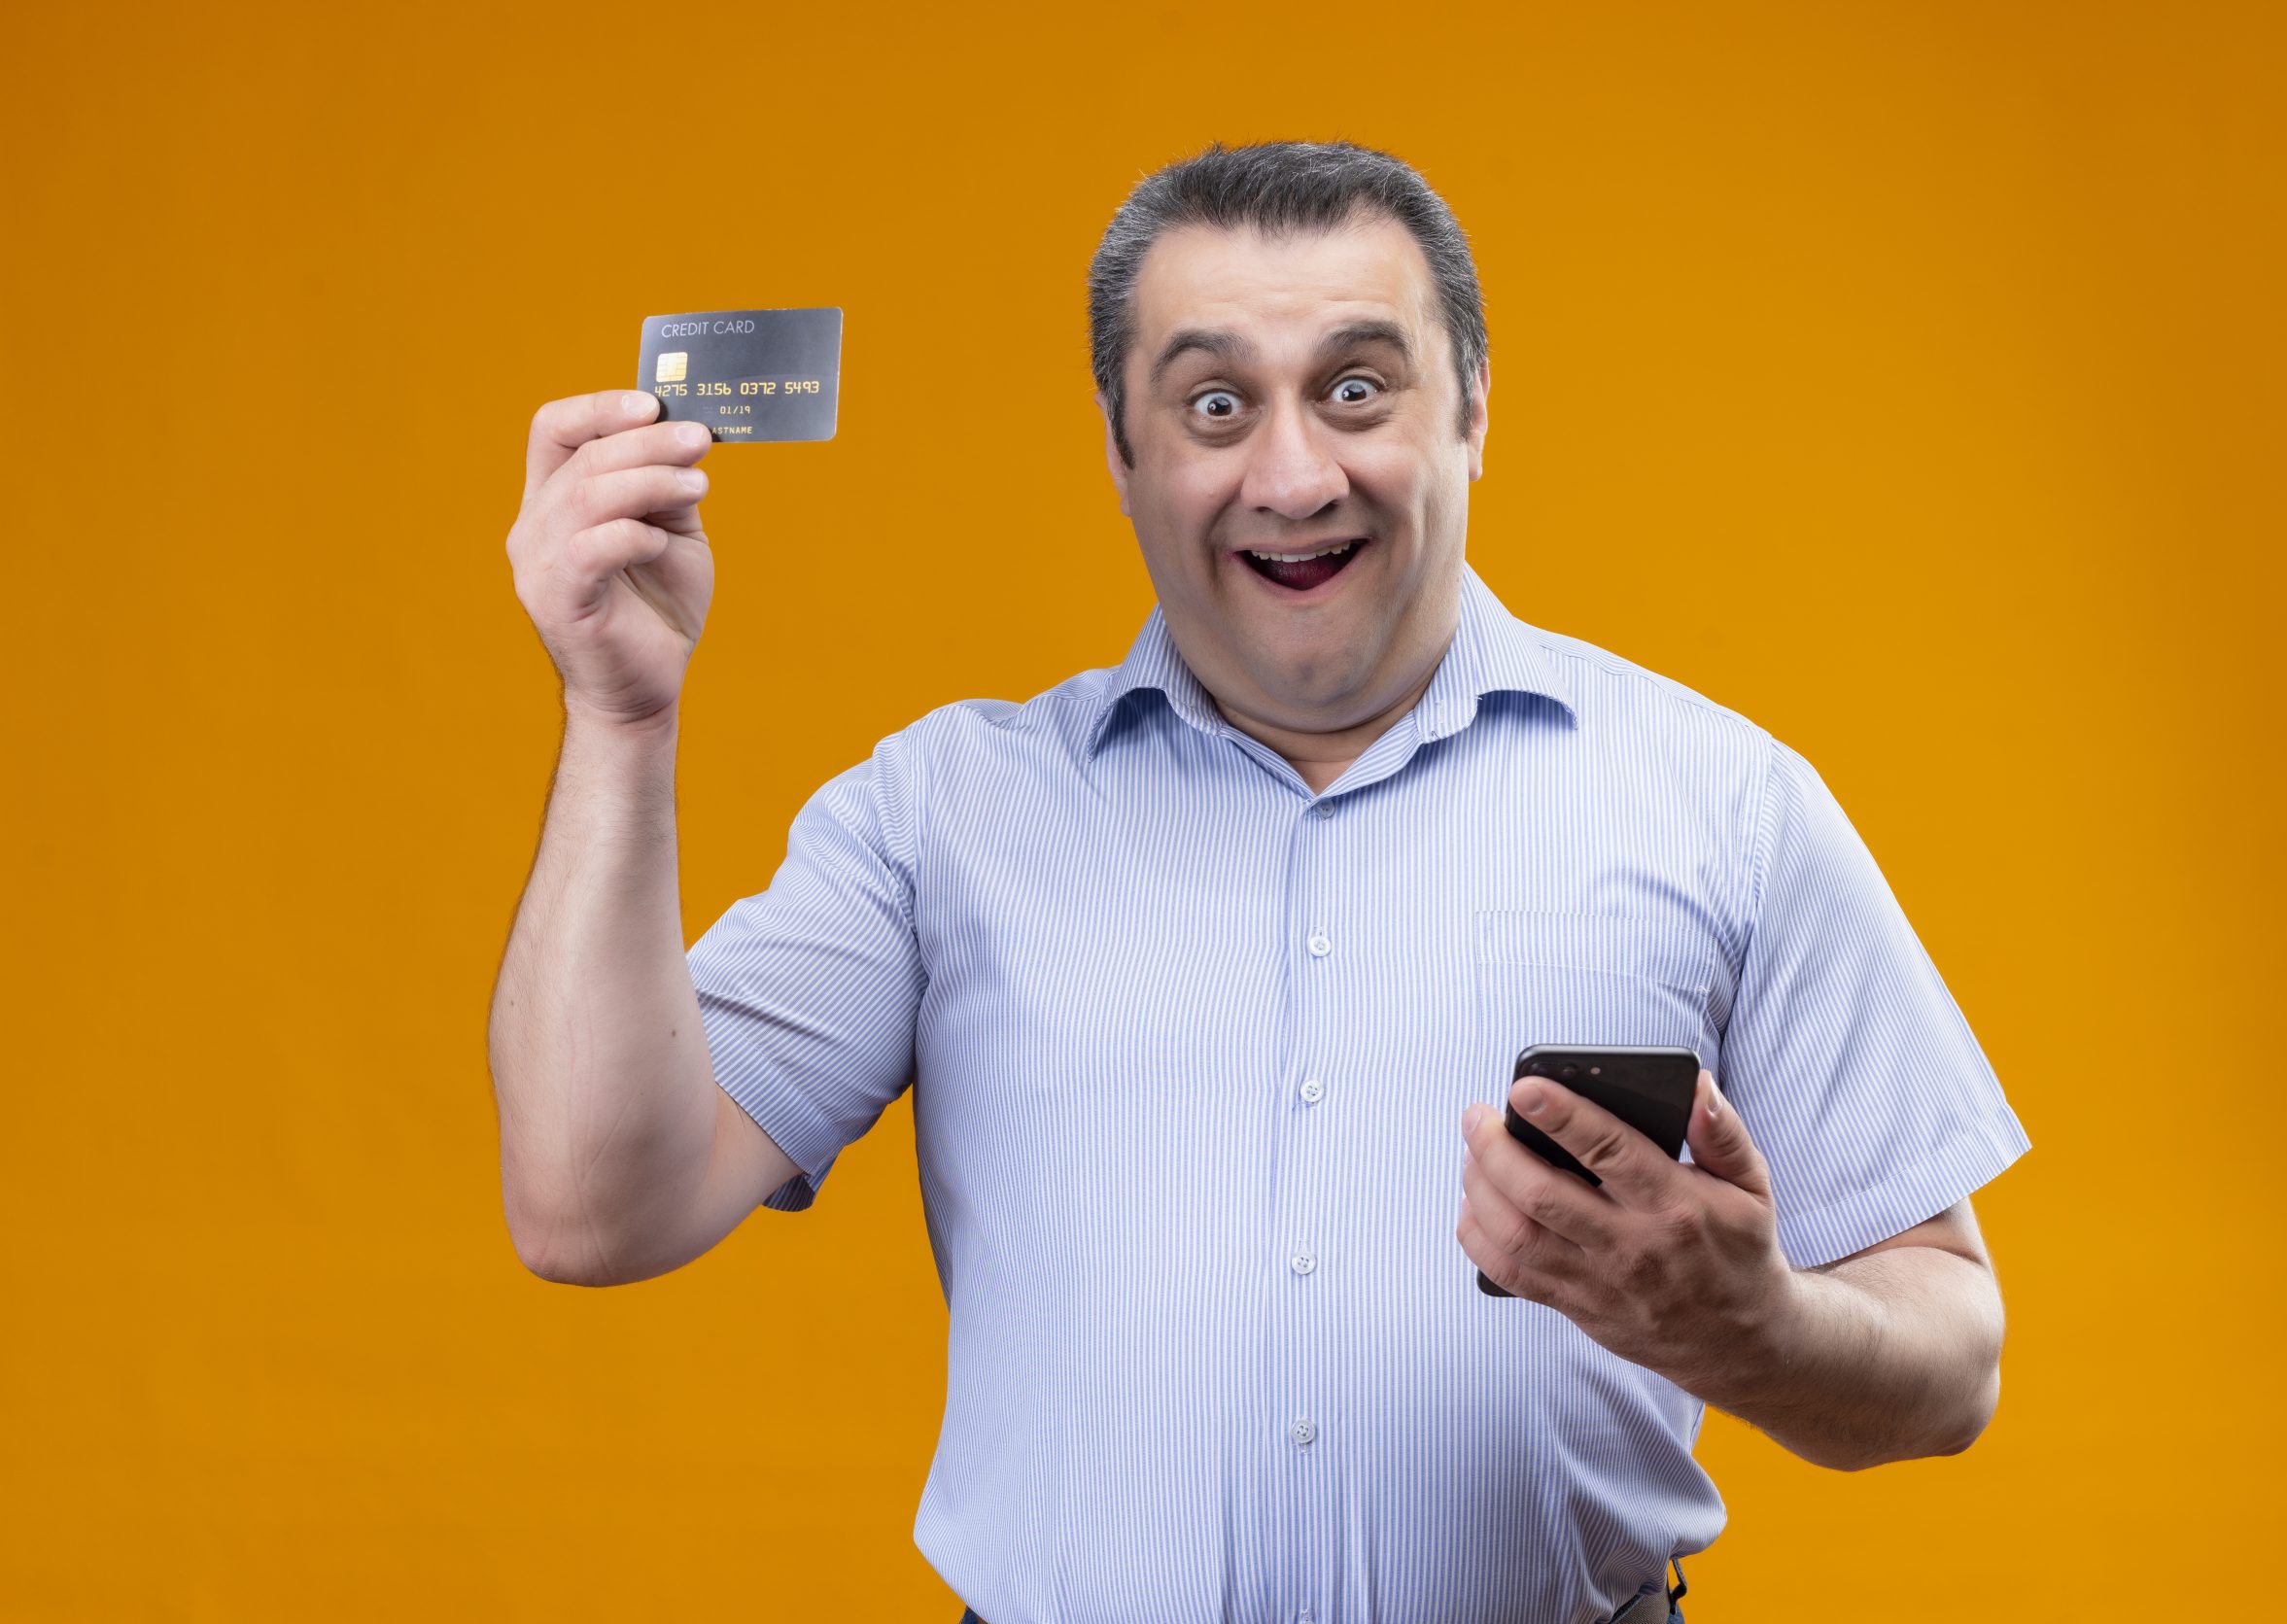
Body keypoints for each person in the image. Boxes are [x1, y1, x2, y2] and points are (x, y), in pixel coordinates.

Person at [489, 139, 2033, 1624]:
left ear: (1476, 409)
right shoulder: (940, 817)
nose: (1293, 477)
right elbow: (591, 1205)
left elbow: (1951, 1362)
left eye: (1357, 389)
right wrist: (621, 717)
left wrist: (1756, 1329)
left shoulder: (1723, 802)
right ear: (1121, 449)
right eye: (1216, 405)